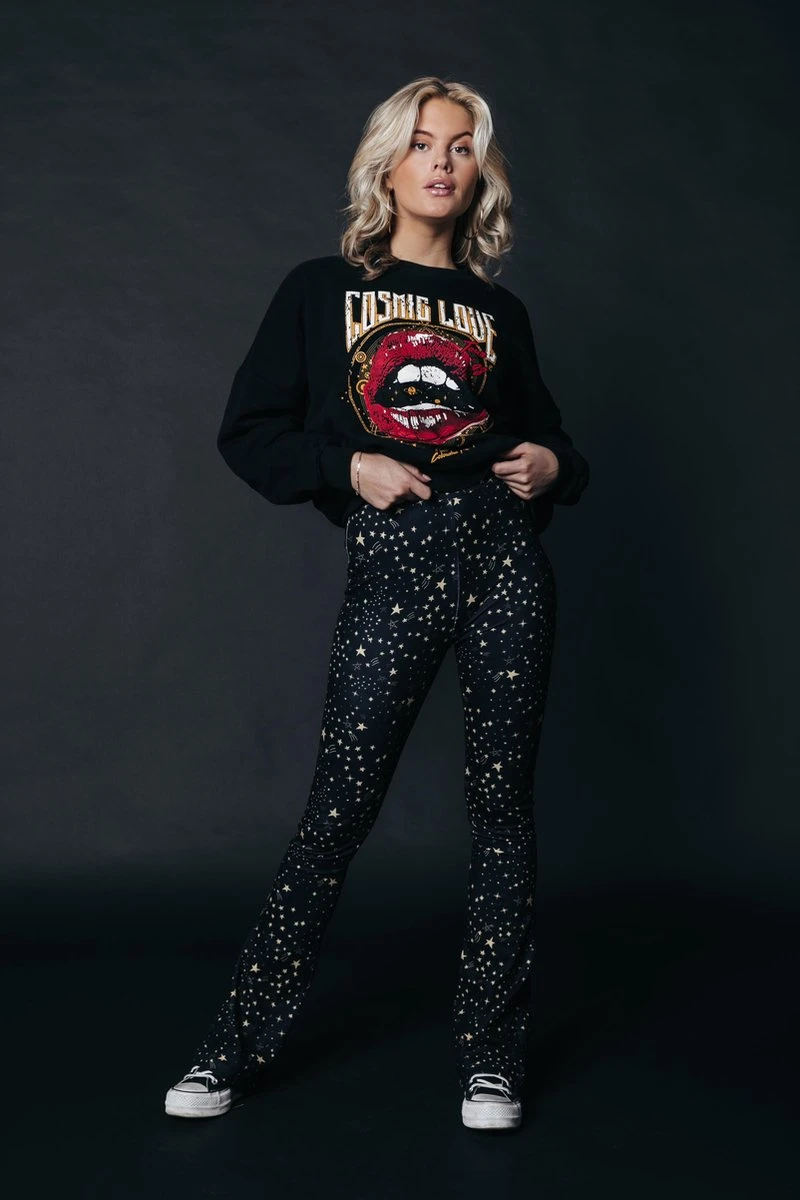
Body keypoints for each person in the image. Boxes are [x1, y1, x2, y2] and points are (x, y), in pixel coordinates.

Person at [164, 74, 590, 1132]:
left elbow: (552, 443)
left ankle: (491, 1060)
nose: (441, 162)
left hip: (503, 561)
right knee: (337, 814)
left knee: (502, 815)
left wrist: (553, 465)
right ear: (386, 164)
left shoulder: (499, 312)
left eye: (460, 146)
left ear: (479, 171)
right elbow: (250, 433)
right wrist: (347, 468)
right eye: (422, 143)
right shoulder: (321, 291)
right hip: (396, 556)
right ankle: (230, 1050)